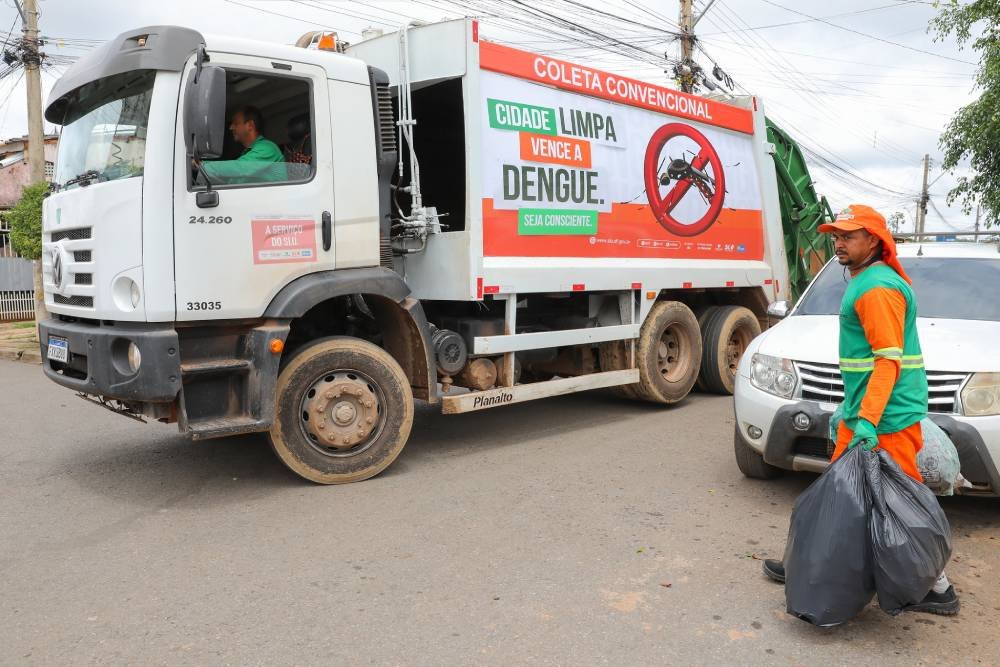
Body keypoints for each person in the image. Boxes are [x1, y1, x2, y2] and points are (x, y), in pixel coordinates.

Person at [762, 204, 959, 616]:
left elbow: (887, 361)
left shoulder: (877, 289)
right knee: (839, 492)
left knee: (903, 503)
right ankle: (808, 564)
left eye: (848, 236)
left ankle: (936, 588)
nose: (838, 242)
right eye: (836, 235)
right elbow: (865, 362)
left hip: (886, 418)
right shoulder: (867, 280)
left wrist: (867, 419)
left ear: (874, 240)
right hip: (866, 413)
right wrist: (850, 411)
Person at [198, 106, 285, 184]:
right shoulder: (248, 153)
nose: (231, 127)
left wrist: (202, 166)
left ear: (250, 125)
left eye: (236, 123)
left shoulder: (267, 148)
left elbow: (239, 168)